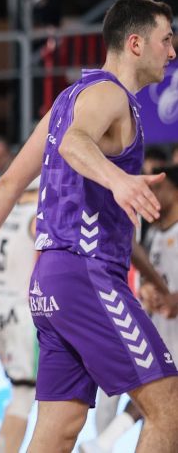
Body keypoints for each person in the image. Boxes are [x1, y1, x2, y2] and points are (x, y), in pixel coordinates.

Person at [0, 0, 178, 453]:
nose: (172, 51)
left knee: (57, 431)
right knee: (169, 407)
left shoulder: (67, 99)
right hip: (87, 275)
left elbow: (8, 183)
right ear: (135, 43)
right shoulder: (110, 95)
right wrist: (119, 180)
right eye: (166, 39)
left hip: (52, 280)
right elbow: (74, 144)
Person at [81, 164, 178, 453]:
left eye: (158, 187)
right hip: (163, 327)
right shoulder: (155, 234)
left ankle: (104, 441)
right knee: (159, 401)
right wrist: (151, 291)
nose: (151, 193)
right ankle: (104, 441)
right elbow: (155, 277)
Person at [0, 177, 40, 453]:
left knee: (20, 390)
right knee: (24, 394)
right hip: (22, 314)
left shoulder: (2, 215)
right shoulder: (38, 218)